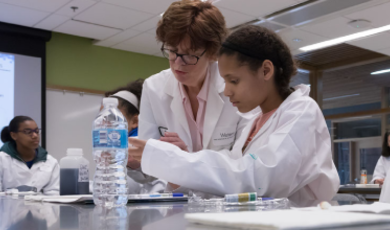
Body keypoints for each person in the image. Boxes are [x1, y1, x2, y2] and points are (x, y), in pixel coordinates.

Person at [128, 25, 340, 205]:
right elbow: (228, 171)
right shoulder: (256, 122)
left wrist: (174, 160)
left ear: (266, 71)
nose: (227, 91)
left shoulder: (302, 111)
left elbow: (258, 180)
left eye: (234, 81)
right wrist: (180, 165)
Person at [127, 0, 249, 192]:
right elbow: (148, 170)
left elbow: (245, 163)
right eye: (172, 52)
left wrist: (185, 160)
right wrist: (133, 161)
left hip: (227, 202)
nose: (177, 64)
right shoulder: (154, 88)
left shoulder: (235, 87)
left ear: (213, 53)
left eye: (189, 55)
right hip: (179, 204)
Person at [104, 79, 167, 193]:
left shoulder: (136, 145)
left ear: (135, 121)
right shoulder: (116, 147)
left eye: (112, 116)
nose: (105, 122)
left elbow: (128, 187)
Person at [0, 116, 59, 195]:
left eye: (37, 131)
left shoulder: (51, 162)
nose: (35, 135)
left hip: (41, 207)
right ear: (14, 135)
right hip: (7, 207)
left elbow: (53, 195)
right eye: (28, 132)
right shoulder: (2, 159)